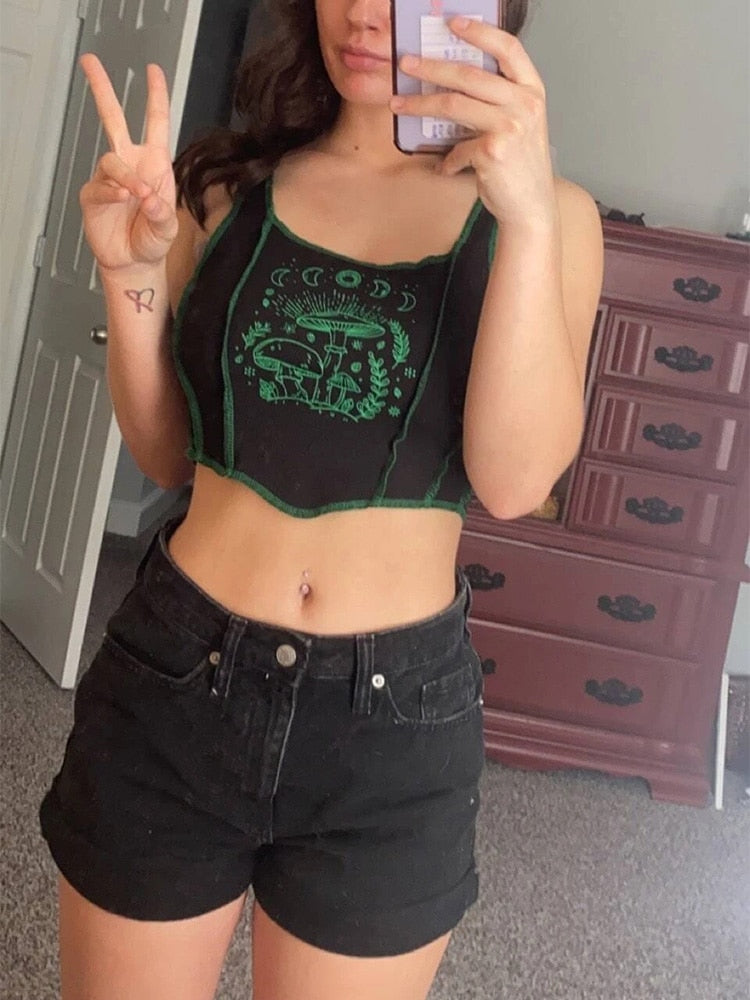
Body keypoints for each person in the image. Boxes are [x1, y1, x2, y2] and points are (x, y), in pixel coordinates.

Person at [38, 2, 604, 998]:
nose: (363, 10)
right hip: (176, 681)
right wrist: (130, 274)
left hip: (393, 732)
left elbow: (516, 482)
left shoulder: (553, 216)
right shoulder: (222, 186)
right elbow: (167, 454)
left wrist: (523, 219)